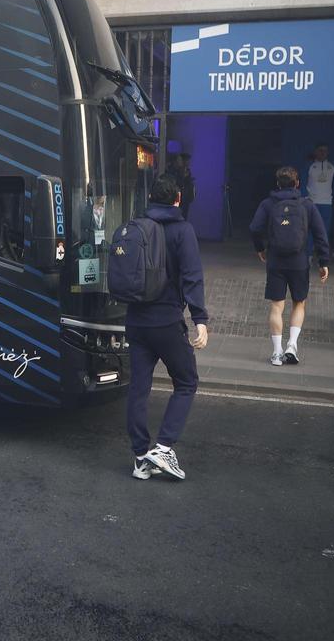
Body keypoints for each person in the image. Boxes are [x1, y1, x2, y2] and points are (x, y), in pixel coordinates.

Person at [123, 173, 208, 482]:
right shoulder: (182, 230)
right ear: (177, 199)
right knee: (186, 381)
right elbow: (192, 276)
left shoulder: (138, 226)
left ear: (150, 199)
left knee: (139, 388)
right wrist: (200, 319)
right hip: (167, 321)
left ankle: (140, 457)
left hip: (135, 320)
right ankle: (164, 447)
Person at [249, 166, 330, 366]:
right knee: (298, 303)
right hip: (299, 261)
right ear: (297, 184)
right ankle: (291, 346)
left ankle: (276, 353)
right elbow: (321, 235)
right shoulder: (307, 205)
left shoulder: (268, 204)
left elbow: (254, 228)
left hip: (275, 261)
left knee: (277, 306)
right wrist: (324, 262)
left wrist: (260, 249)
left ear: (277, 184)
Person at [303, 143, 334, 260]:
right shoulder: (309, 166)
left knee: (324, 231)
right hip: (312, 203)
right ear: (315, 151)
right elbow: (302, 182)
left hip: (327, 204)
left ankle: (322, 256)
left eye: (325, 151)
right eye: (320, 150)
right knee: (309, 229)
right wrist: (305, 198)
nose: (322, 153)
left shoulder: (332, 167)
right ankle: (308, 255)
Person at [169, 153, 196, 220]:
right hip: (175, 204)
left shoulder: (187, 173)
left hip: (184, 203)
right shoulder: (173, 172)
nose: (188, 163)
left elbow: (190, 195)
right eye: (186, 160)